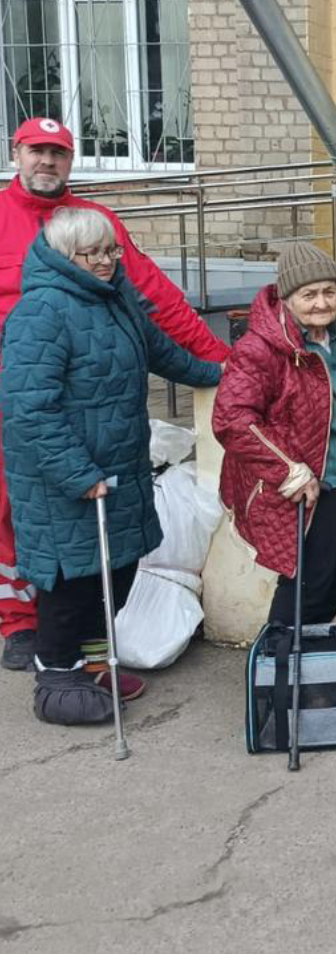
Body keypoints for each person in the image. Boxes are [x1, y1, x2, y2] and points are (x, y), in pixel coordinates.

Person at [0, 117, 229, 673]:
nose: (47, 162)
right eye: (37, 151)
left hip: (86, 409)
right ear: (16, 152)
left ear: (71, 160)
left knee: (86, 539)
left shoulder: (98, 226)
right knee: (17, 510)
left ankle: (85, 654)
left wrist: (224, 363)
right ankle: (21, 623)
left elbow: (157, 307)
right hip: (26, 395)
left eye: (58, 152)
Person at [213, 242, 336, 629]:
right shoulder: (260, 349)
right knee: (309, 581)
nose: (321, 303)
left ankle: (310, 640)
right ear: (287, 298)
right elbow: (231, 419)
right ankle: (278, 655)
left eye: (329, 291)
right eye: (309, 294)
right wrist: (288, 470)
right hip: (306, 482)